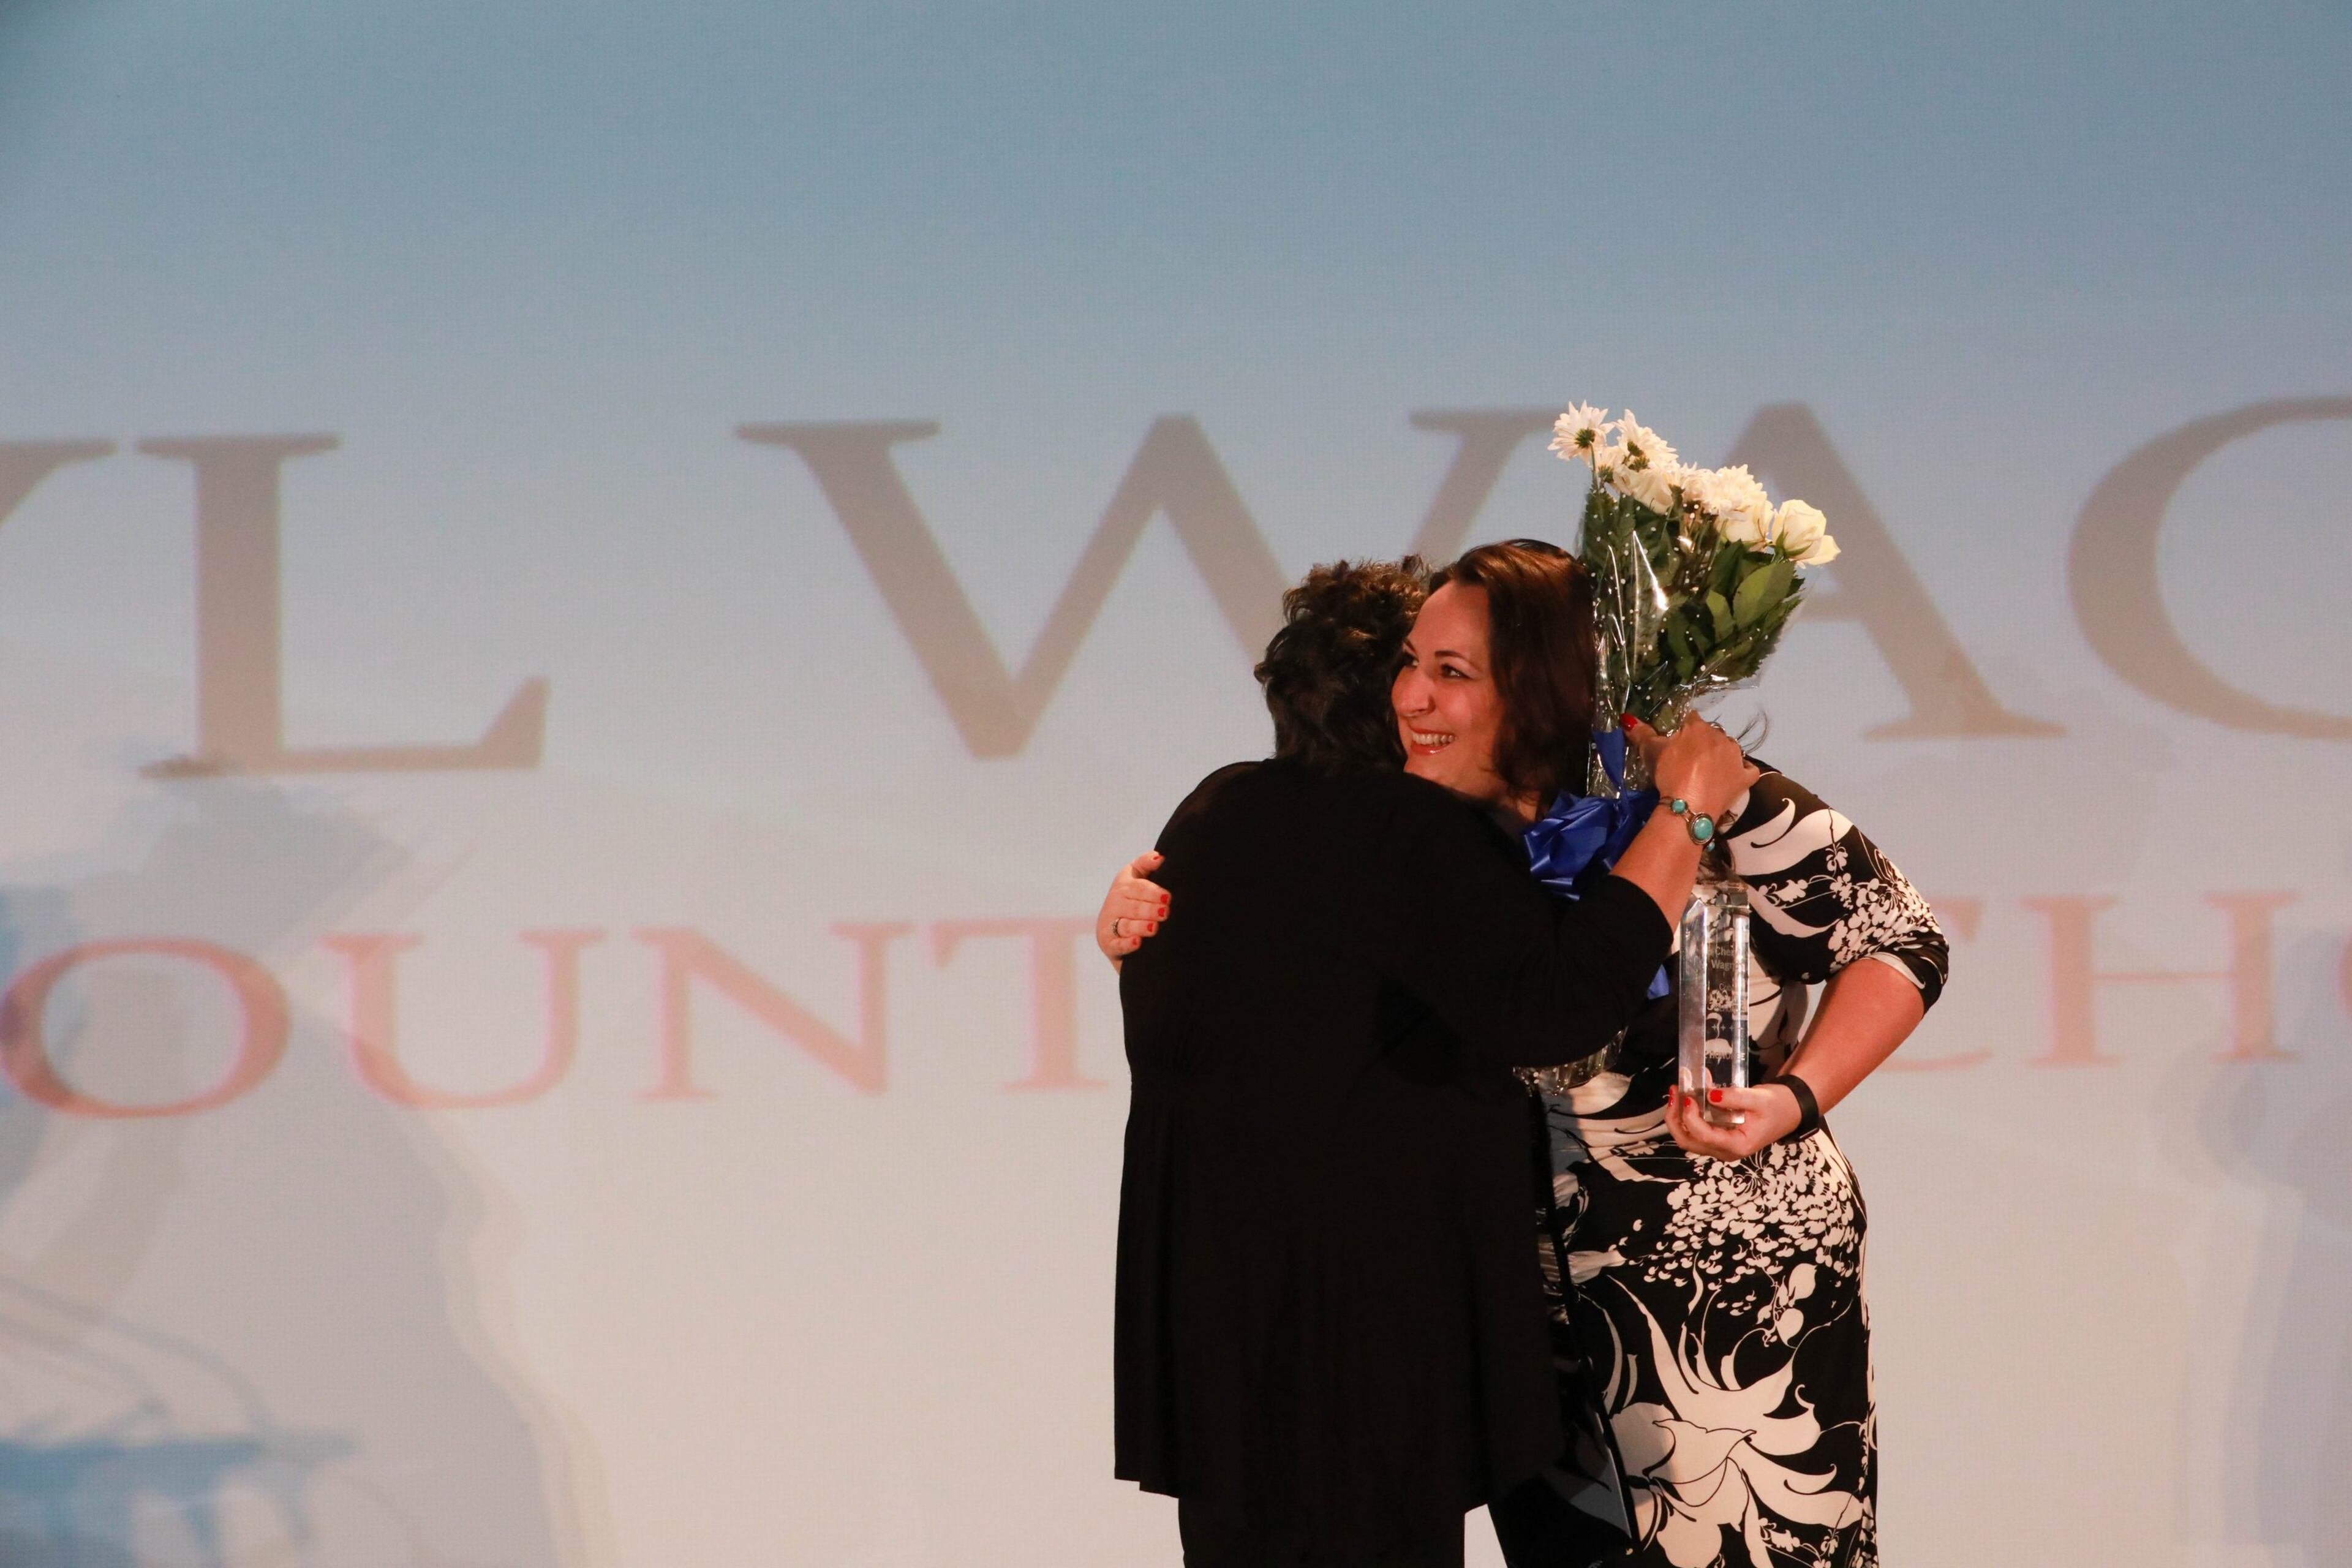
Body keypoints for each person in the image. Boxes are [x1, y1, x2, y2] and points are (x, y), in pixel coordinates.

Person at [1102, 541, 1945, 1568]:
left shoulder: (1695, 784)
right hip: (1528, 1311)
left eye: (1451, 675)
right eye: (1410, 664)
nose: (1412, 697)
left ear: (1539, 685)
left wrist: (1794, 1098)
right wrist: (1136, 931)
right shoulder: (1425, 826)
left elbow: (1900, 939)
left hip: (1722, 1293)